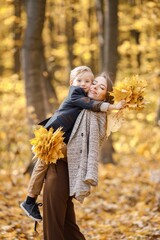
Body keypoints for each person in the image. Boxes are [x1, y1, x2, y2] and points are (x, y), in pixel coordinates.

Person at [20, 66, 125, 223]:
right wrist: (113, 107)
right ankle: (29, 200)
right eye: (79, 80)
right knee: (41, 166)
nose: (83, 84)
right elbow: (92, 105)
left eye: (88, 81)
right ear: (71, 82)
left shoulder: (86, 100)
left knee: (42, 167)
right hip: (53, 135)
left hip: (59, 137)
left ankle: (30, 200)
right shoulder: (76, 94)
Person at [42, 72, 125, 240]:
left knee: (54, 223)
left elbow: (92, 147)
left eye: (101, 87)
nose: (94, 87)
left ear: (105, 97)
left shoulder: (96, 114)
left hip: (62, 164)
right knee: (66, 224)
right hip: (60, 165)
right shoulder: (82, 105)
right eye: (94, 83)